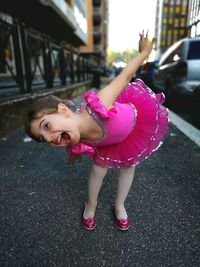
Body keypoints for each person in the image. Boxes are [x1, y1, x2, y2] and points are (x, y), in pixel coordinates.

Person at [25, 31, 169, 231]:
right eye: (44, 139)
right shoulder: (73, 135)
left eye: (47, 126)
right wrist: (75, 154)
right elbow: (75, 145)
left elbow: (126, 74)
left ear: (63, 110)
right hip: (107, 143)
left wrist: (143, 53)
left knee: (129, 166)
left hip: (134, 127)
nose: (50, 138)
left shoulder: (98, 104)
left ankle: (119, 204)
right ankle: (91, 205)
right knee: (98, 170)